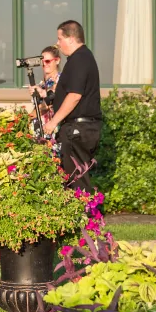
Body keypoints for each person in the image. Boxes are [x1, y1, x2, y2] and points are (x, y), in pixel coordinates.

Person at [44, 21, 102, 192]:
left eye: (60, 38)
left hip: (78, 128)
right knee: (74, 177)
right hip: (79, 127)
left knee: (76, 179)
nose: (57, 43)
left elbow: (75, 96)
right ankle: (82, 214)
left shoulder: (80, 59)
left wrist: (53, 122)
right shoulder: (80, 58)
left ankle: (86, 215)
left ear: (70, 38)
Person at [27, 45, 62, 131]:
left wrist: (25, 119)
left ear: (57, 61)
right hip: (39, 126)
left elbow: (47, 104)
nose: (44, 64)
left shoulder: (60, 80)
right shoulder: (42, 83)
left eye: (47, 61)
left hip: (51, 128)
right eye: (42, 61)